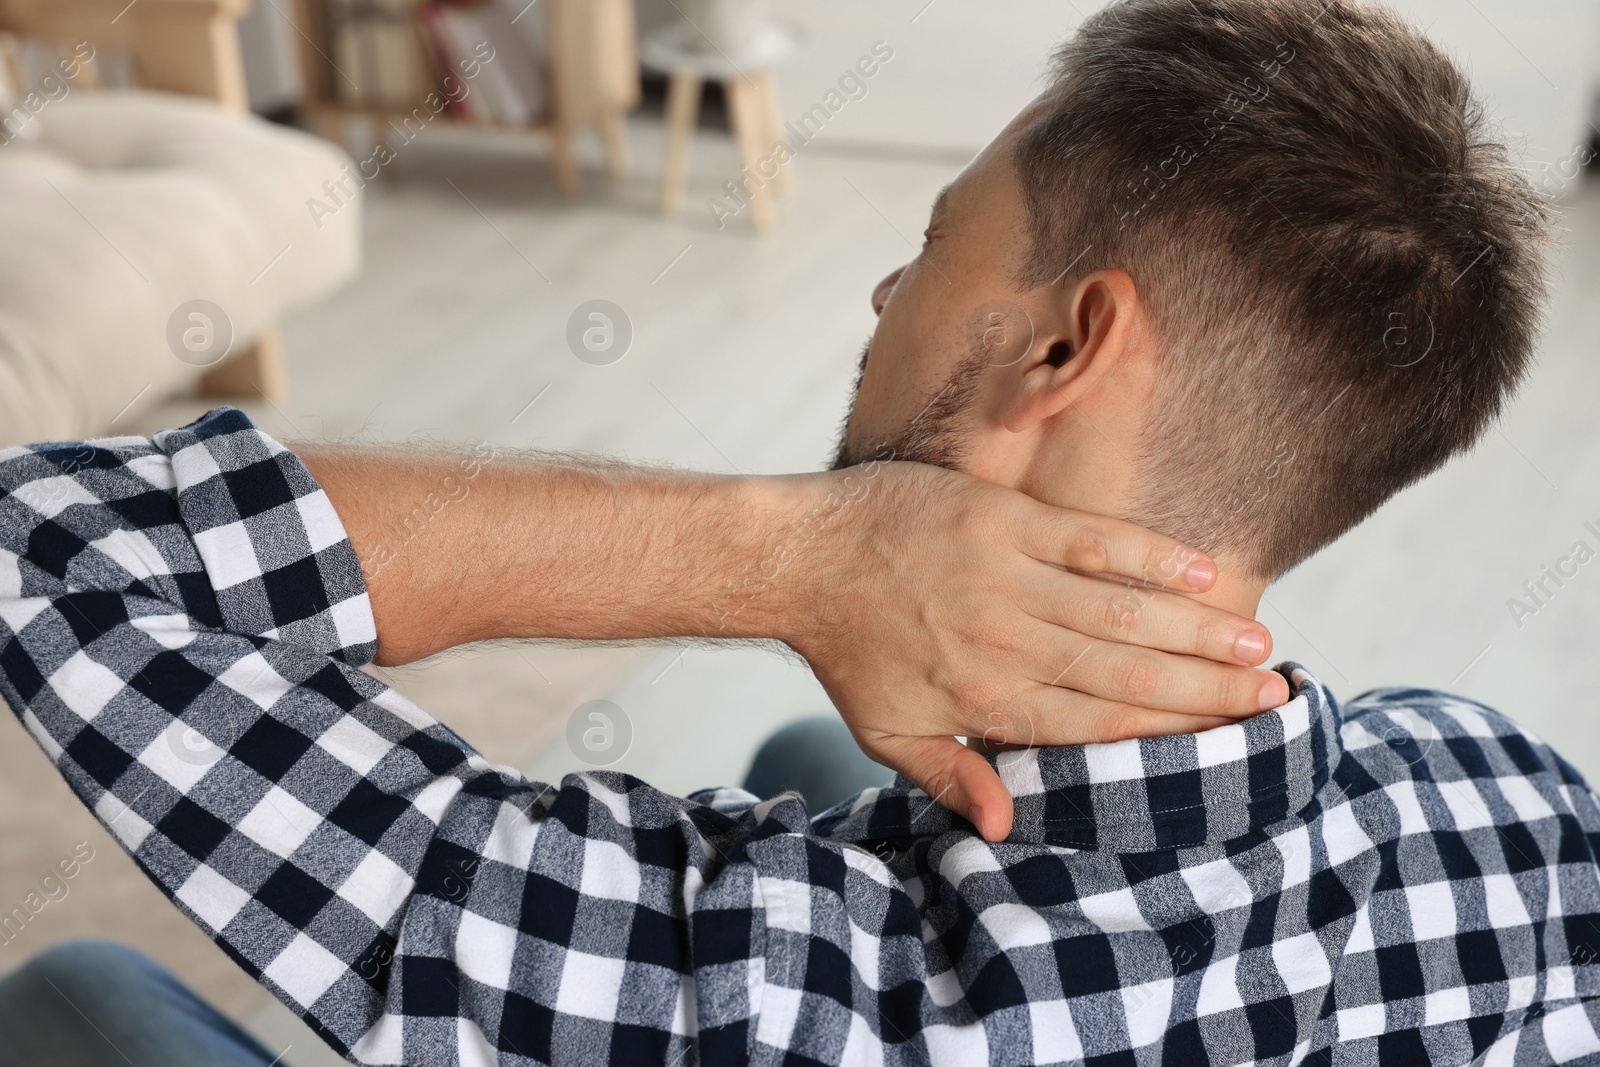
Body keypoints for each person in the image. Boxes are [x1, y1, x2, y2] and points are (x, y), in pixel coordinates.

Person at [1, 0, 1593, 1063]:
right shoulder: (1502, 795)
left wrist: (788, 553)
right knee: (811, 757)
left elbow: (53, 545)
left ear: (1063, 350)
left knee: (73, 996)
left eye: (935, 244)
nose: (892, 294)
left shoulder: (724, 975)